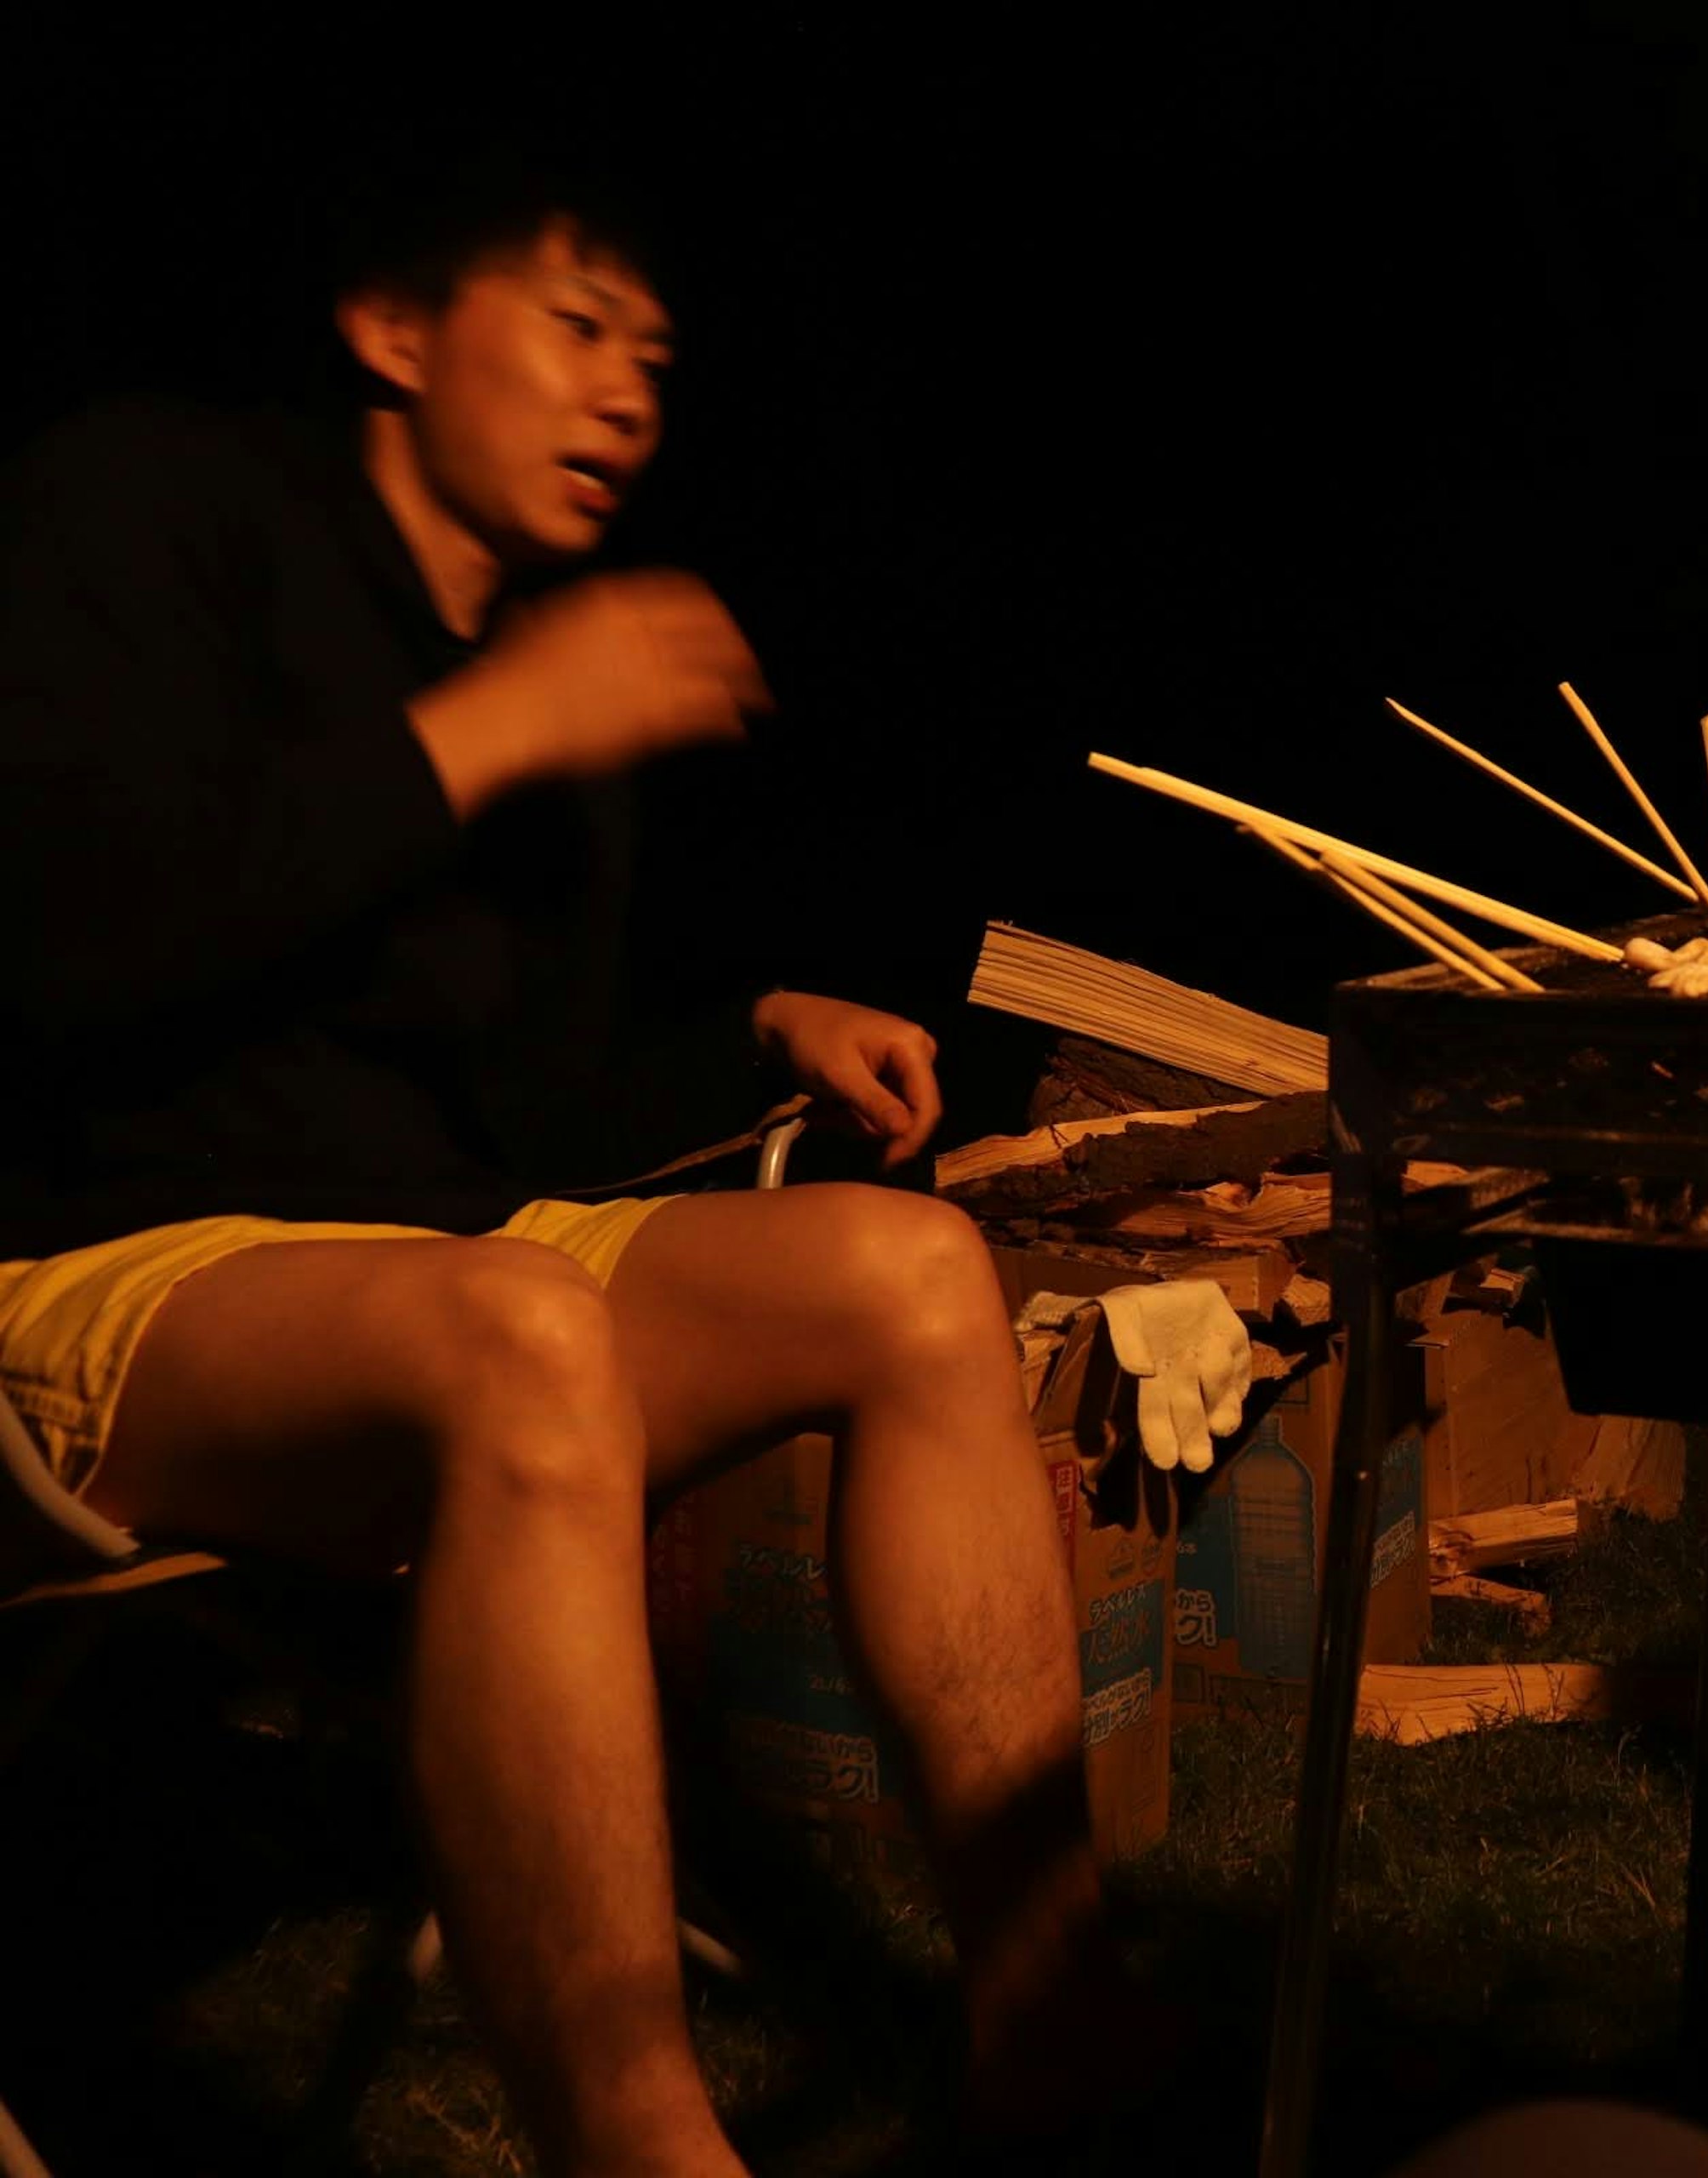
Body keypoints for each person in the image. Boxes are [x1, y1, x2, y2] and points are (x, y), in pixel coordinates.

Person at [0, 160, 1118, 2175]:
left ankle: (1056, 2030)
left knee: (907, 1270)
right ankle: (642, 2145)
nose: (629, 399)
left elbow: (494, 1131)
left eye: (656, 359)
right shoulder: (149, 509)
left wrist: (752, 1027)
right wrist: (484, 731)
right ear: (396, 328)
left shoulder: (538, 670)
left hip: (424, 1265)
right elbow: (67, 942)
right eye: (575, 327)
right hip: (92, 1265)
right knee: (516, 1326)